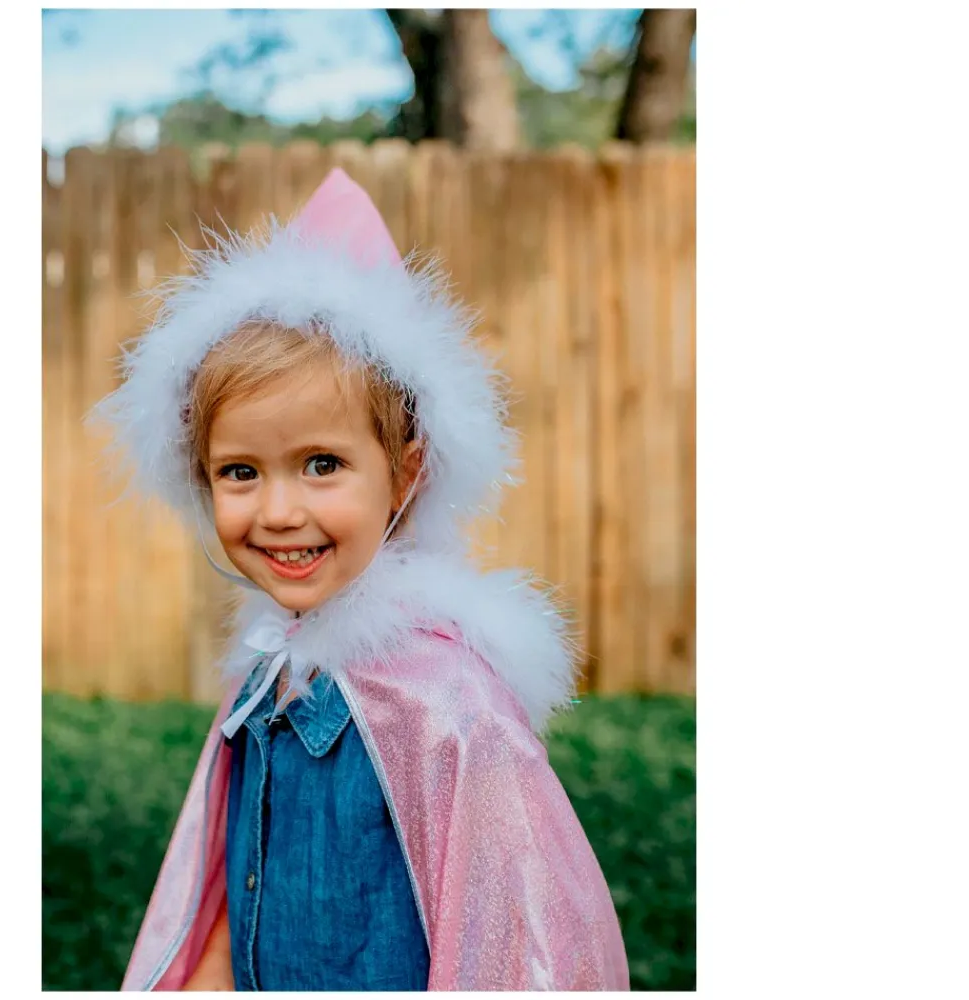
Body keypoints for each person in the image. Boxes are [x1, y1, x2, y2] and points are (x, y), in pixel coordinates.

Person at [94, 167, 629, 991]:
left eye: (321, 464)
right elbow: (230, 892)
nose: (278, 511)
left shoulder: (449, 707)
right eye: (240, 471)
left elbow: (521, 941)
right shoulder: (268, 675)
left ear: (407, 473)